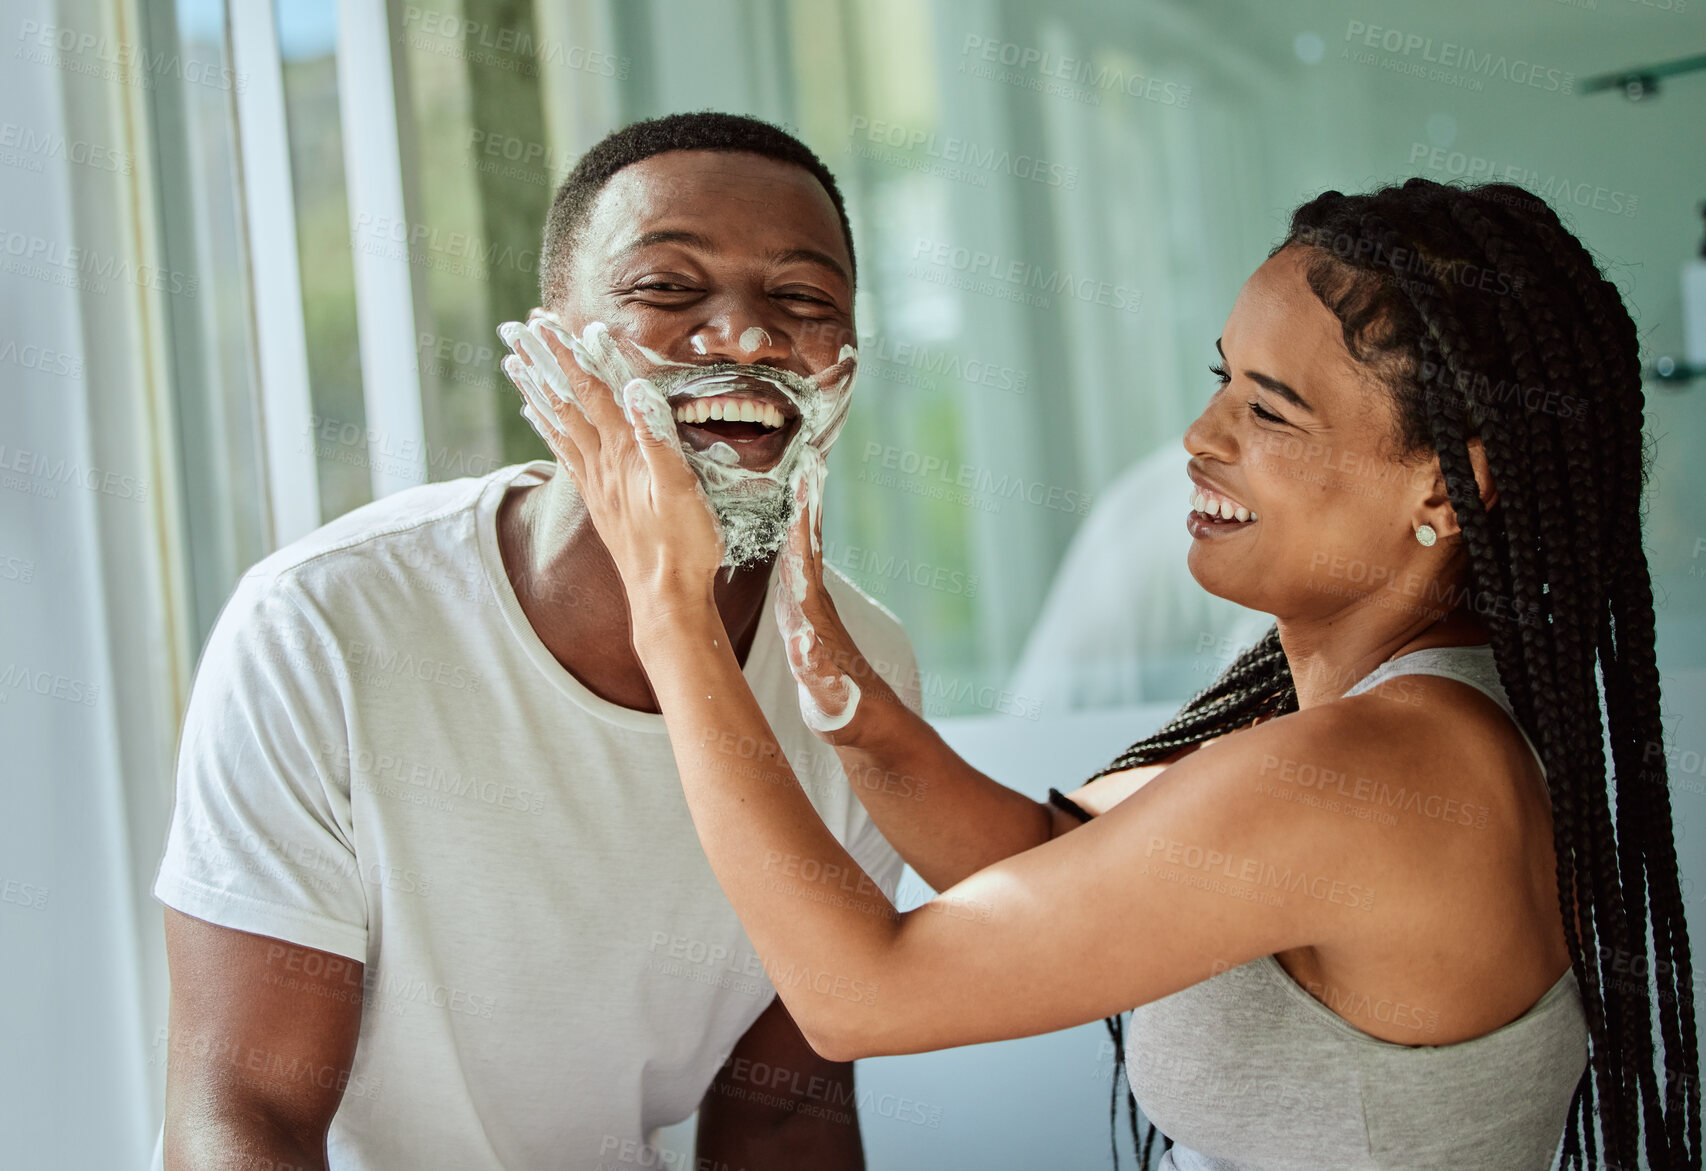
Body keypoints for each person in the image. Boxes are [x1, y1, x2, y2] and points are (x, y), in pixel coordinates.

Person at [506, 177, 1700, 1170]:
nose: (1200, 437)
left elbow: (859, 996)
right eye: (1219, 377)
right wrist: (801, 599)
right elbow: (1045, 871)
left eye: (1269, 413)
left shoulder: (1364, 773)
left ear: (1444, 488)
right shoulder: (1380, 723)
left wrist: (672, 607)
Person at [153, 112, 921, 1170]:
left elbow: (786, 1109)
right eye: (665, 288)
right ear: (551, 342)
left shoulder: (853, 674)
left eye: (801, 299)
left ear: (845, 356)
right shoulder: (323, 627)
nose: (744, 335)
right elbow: (244, 1116)